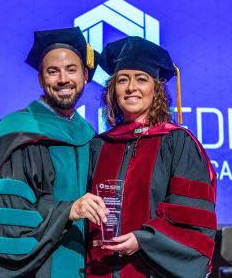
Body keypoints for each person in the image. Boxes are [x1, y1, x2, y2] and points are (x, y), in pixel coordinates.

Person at [0, 27, 108, 277]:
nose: (63, 79)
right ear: (41, 79)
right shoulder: (17, 133)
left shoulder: (90, 136)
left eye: (71, 69)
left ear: (85, 75)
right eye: (52, 71)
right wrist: (67, 211)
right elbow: (6, 217)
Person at [86, 36, 217, 277]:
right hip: (100, 269)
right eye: (122, 80)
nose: (131, 87)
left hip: (152, 270)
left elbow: (192, 219)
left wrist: (143, 239)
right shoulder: (99, 145)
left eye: (141, 79)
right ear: (112, 90)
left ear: (155, 90)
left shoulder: (177, 143)